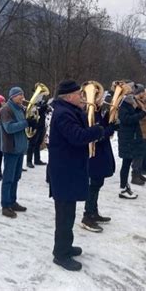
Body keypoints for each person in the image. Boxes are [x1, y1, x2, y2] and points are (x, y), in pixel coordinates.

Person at [48, 79, 105, 271]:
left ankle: (65, 246)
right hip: (64, 172)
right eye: (79, 94)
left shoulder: (69, 111)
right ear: (69, 96)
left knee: (69, 213)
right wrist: (96, 131)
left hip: (69, 169)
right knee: (64, 215)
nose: (82, 97)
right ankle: (60, 254)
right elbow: (77, 137)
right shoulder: (63, 114)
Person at [0, 87, 36, 218]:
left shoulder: (20, 108)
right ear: (13, 96)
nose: (22, 97)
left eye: (23, 94)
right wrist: (26, 123)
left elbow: (23, 123)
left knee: (16, 177)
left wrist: (32, 122)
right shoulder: (6, 109)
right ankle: (5, 205)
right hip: (11, 148)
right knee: (8, 178)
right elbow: (9, 128)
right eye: (20, 95)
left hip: (19, 148)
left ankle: (12, 201)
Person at [80, 98, 116, 233]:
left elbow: (103, 128)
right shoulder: (89, 115)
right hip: (94, 155)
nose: (102, 101)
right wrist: (109, 129)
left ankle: (93, 211)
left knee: (97, 184)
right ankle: (87, 216)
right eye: (100, 99)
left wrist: (109, 118)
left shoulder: (97, 113)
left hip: (101, 154)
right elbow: (96, 135)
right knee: (93, 186)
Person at [118, 83, 146, 198]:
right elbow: (126, 120)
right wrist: (142, 113)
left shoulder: (130, 104)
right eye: (130, 93)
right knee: (126, 164)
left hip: (131, 137)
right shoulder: (124, 105)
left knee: (127, 163)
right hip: (128, 138)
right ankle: (123, 188)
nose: (133, 96)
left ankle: (125, 186)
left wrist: (142, 110)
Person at [26, 100, 49, 168]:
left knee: (38, 143)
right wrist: (43, 107)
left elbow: (43, 112)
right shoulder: (33, 104)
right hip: (35, 126)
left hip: (41, 125)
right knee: (32, 143)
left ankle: (37, 159)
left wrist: (46, 108)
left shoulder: (41, 103)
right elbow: (36, 111)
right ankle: (29, 161)